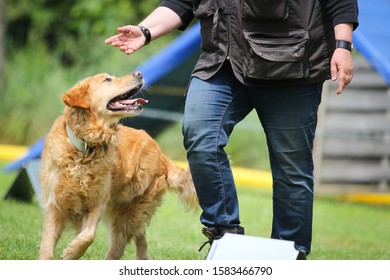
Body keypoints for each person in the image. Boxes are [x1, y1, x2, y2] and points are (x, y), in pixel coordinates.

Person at [105, 0, 359, 259]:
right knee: (200, 133)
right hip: (221, 61)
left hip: (292, 66)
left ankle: (289, 254)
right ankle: (225, 238)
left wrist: (342, 46)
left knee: (291, 168)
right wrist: (145, 30)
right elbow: (182, 2)